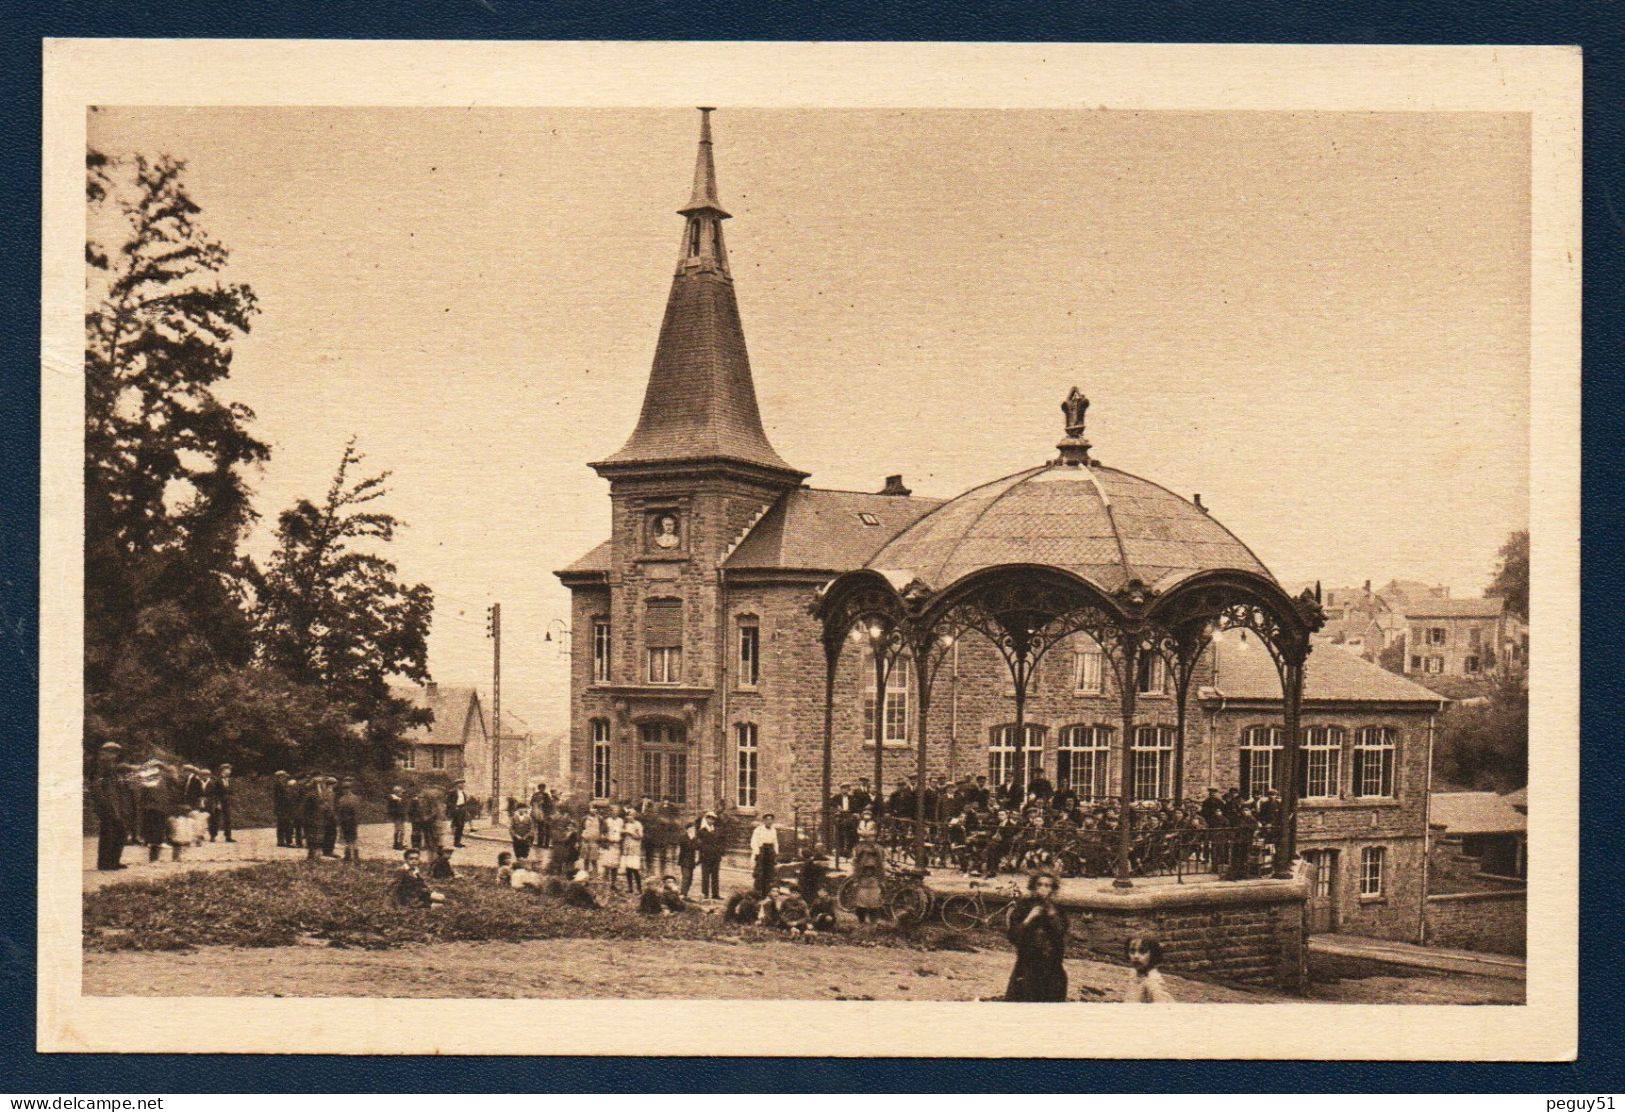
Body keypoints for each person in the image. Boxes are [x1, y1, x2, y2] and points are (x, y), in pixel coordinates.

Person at [1004, 871, 1068, 1002]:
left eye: (1047, 885)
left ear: (1053, 889)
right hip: (1027, 966)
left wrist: (1052, 915)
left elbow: (1061, 932)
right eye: (1040, 885)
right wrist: (1028, 919)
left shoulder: (1057, 909)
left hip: (1052, 967)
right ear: (1033, 887)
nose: (1043, 888)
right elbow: (1013, 936)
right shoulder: (1024, 906)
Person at [90, 742, 129, 871]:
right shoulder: (100, 767)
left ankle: (113, 861)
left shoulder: (112, 767)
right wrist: (103, 802)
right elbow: (96, 786)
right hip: (106, 804)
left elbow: (118, 787)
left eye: (116, 752)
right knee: (109, 833)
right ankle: (105, 863)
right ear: (104, 752)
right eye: (111, 752)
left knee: (119, 832)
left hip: (114, 804)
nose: (114, 755)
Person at [849, 809, 885, 923]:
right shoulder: (859, 848)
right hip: (863, 880)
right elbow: (856, 864)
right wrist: (855, 878)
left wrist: (881, 879)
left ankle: (873, 922)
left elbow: (881, 863)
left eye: (872, 837)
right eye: (868, 837)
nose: (869, 838)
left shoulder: (878, 849)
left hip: (874, 880)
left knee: (874, 903)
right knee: (861, 903)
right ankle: (862, 921)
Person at [1124, 936, 1174, 1002]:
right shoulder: (1134, 975)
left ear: (1153, 954)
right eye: (1132, 951)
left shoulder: (1153, 983)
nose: (1136, 956)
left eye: (1142, 951)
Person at [304, 776, 337, 861]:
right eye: (320, 784)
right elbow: (318, 806)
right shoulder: (313, 795)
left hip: (317, 818)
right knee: (314, 837)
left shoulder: (317, 794)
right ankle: (313, 856)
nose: (322, 785)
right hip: (315, 818)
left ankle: (314, 856)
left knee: (316, 837)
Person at [750, 812, 780, 898]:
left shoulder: (774, 830)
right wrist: (757, 853)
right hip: (761, 851)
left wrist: (776, 852)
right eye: (767, 820)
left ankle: (767, 893)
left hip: (770, 852)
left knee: (769, 873)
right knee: (760, 873)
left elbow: (775, 842)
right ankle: (758, 893)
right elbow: (753, 842)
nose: (769, 822)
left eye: (771, 820)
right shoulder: (758, 830)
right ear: (763, 820)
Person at [697, 811, 725, 900]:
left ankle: (715, 894)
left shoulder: (716, 830)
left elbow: (721, 842)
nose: (711, 820)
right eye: (709, 818)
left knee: (715, 876)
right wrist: (702, 855)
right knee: (705, 876)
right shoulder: (701, 831)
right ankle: (705, 894)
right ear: (706, 819)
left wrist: (720, 851)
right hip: (706, 856)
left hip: (715, 857)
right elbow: (700, 845)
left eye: (713, 819)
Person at [204, 763, 234, 842]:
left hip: (227, 802)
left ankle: (228, 836)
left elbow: (230, 791)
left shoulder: (229, 780)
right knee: (215, 819)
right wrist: (217, 803)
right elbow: (214, 793)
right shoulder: (216, 780)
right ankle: (213, 836)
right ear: (223, 770)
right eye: (229, 769)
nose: (230, 771)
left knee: (228, 819)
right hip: (219, 801)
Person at [336, 778, 362, 864]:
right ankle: (348, 855)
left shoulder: (354, 798)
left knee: (353, 839)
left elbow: (356, 811)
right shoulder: (341, 798)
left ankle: (354, 855)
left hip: (351, 821)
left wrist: (355, 821)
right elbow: (339, 811)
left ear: (350, 789)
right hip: (344, 821)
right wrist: (340, 821)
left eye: (347, 788)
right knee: (347, 839)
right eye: (344, 788)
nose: (345, 790)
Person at [620, 807, 645, 894]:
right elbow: (622, 836)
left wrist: (631, 833)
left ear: (634, 816)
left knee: (635, 869)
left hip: (634, 848)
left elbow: (640, 836)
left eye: (631, 815)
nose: (629, 817)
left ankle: (639, 889)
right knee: (628, 869)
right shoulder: (626, 825)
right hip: (627, 848)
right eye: (628, 815)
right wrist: (623, 833)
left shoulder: (638, 824)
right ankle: (630, 888)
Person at [600, 806, 624, 892]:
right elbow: (603, 833)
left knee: (615, 866)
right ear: (610, 812)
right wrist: (606, 840)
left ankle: (613, 884)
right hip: (609, 845)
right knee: (607, 865)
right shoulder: (607, 821)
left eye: (616, 811)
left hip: (617, 845)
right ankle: (605, 884)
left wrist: (621, 840)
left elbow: (622, 833)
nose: (615, 812)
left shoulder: (621, 821)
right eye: (613, 811)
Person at [677, 820, 701, 898]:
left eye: (694, 829)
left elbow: (698, 847)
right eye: (691, 828)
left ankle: (685, 894)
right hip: (684, 860)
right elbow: (688, 847)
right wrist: (693, 839)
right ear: (687, 829)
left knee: (690, 878)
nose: (693, 830)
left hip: (691, 861)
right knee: (686, 877)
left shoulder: (695, 838)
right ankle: (682, 894)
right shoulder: (683, 837)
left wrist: (694, 839)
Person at [445, 778, 471, 847]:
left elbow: (464, 801)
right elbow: (447, 801)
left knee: (461, 826)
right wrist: (453, 807)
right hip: (456, 810)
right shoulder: (452, 792)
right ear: (457, 785)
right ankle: (456, 842)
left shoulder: (463, 793)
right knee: (458, 825)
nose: (463, 785)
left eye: (463, 783)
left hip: (462, 810)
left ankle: (458, 842)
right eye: (461, 783)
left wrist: (465, 808)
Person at [272, 771, 294, 848]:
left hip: (282, 807)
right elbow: (281, 797)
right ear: (280, 777)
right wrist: (290, 798)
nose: (285, 778)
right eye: (284, 776)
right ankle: (287, 841)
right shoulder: (278, 785)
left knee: (282, 824)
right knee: (286, 824)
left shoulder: (280, 784)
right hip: (282, 807)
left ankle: (281, 841)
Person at [579, 806, 602, 878]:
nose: (594, 810)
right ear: (589, 809)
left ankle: (595, 876)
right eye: (592, 808)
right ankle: (586, 875)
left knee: (594, 859)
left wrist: (600, 837)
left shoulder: (600, 818)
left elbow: (604, 829)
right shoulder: (584, 818)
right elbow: (580, 829)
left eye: (595, 809)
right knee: (586, 859)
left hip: (595, 841)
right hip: (586, 841)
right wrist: (581, 837)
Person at [386, 784, 408, 850]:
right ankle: (398, 844)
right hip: (397, 816)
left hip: (401, 816)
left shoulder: (399, 798)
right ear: (397, 792)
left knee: (401, 830)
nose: (402, 794)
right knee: (399, 830)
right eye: (401, 792)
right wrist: (397, 801)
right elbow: (391, 808)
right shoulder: (392, 799)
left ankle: (399, 843)